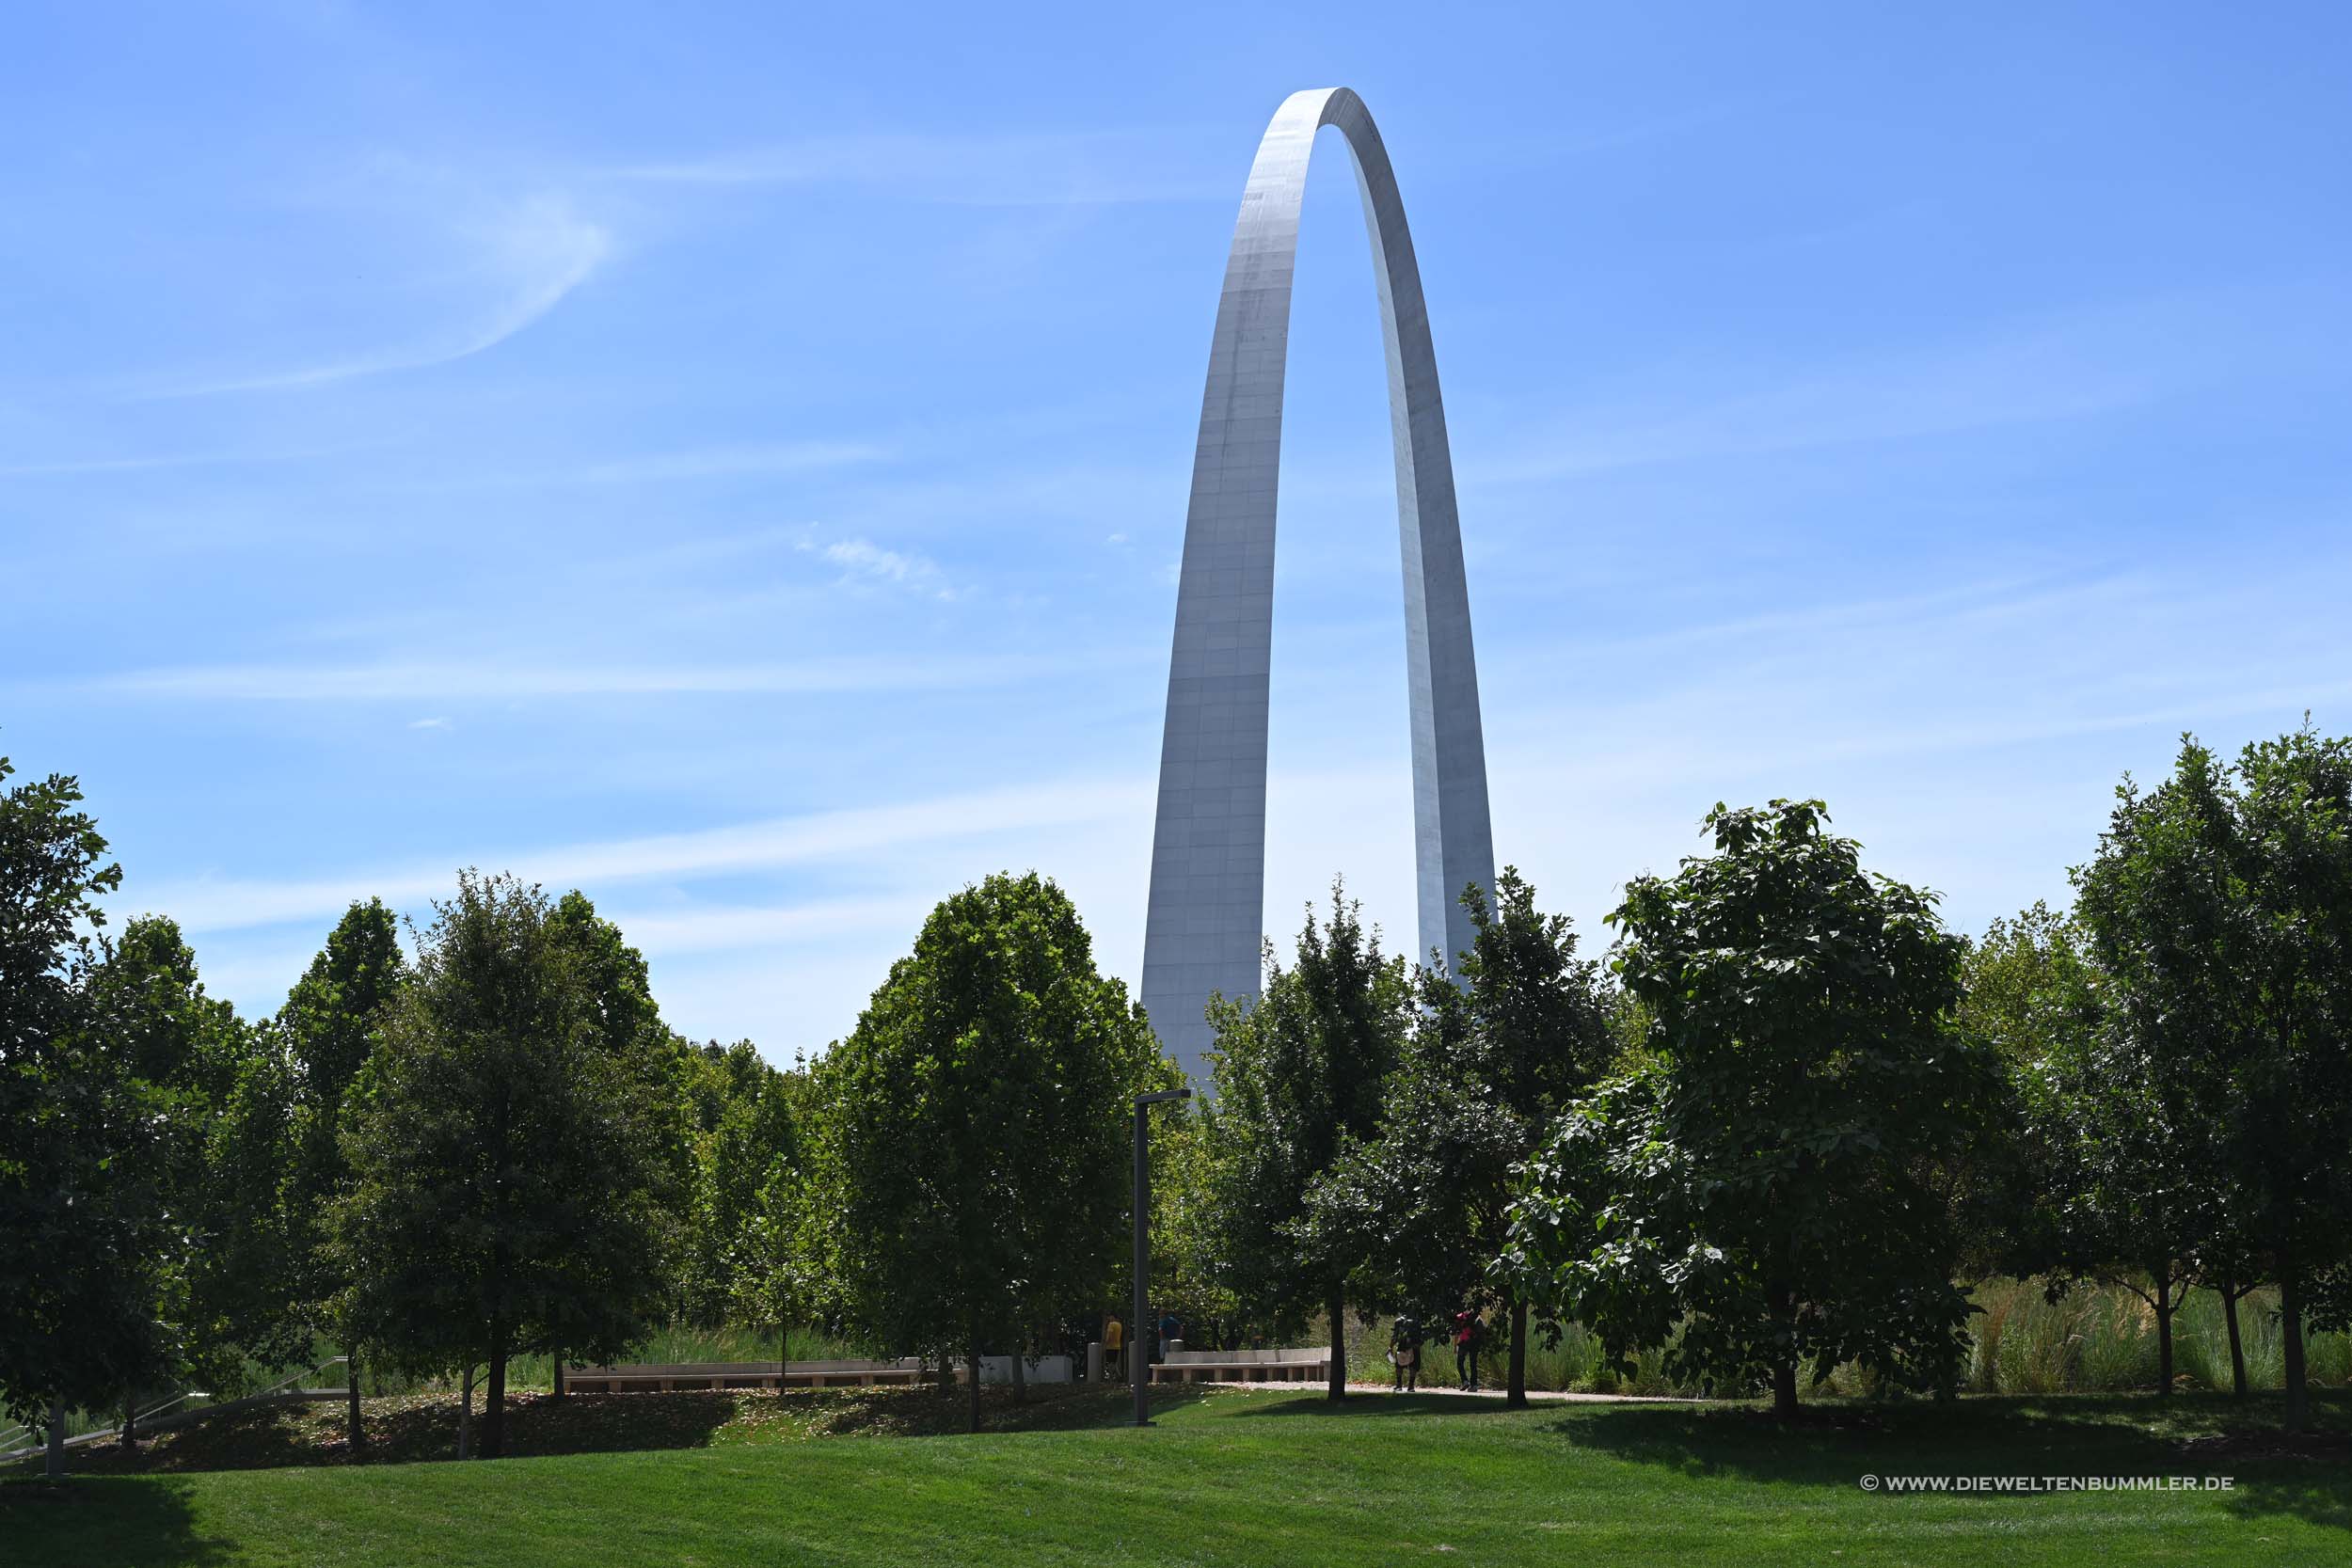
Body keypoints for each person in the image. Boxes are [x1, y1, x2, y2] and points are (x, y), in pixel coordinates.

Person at [1389, 1314, 1422, 1392]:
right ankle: (1410, 1386)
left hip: (1403, 1345)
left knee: (1399, 1365)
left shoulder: (1399, 1321)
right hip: (1414, 1345)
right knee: (1413, 1365)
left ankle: (1399, 1385)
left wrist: (1390, 1347)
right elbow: (1420, 1335)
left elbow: (1395, 1336)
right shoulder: (1417, 1321)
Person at [1453, 1307, 1482, 1392]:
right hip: (1474, 1343)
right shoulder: (1475, 1317)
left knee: (1460, 1363)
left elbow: (1457, 1334)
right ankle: (1474, 1385)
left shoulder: (1460, 1317)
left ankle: (1465, 1381)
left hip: (1464, 1343)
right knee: (1473, 1364)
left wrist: (1455, 1347)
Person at [1104, 1315, 1124, 1381]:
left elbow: (1109, 1336)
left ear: (1112, 1317)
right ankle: (1119, 1376)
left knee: (1110, 1363)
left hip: (1110, 1346)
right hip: (1117, 1346)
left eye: (1109, 1317)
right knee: (1114, 1363)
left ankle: (1111, 1377)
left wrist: (1105, 1345)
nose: (1108, 1318)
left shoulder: (1111, 1324)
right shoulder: (1119, 1325)